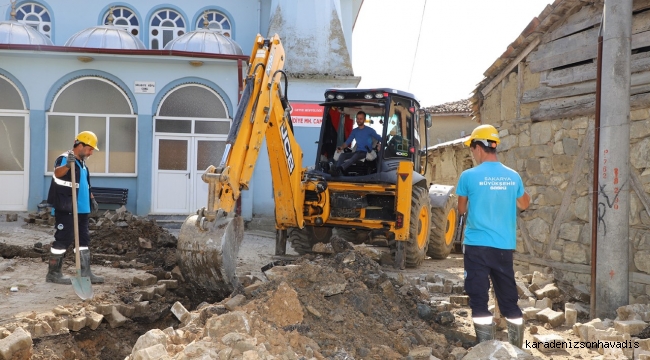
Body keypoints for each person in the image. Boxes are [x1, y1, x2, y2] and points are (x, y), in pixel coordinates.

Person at [456, 124, 530, 347]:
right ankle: (517, 348)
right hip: (503, 247)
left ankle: (485, 348)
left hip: (477, 246)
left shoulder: (468, 176)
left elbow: (461, 210)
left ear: (478, 147)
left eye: (472, 149)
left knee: (479, 297)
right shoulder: (512, 176)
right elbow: (524, 204)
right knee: (508, 299)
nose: (473, 154)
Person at [46, 131, 104, 284]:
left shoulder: (82, 163)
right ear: (80, 145)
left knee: (84, 240)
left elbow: (85, 183)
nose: (91, 152)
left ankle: (85, 273)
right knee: (63, 239)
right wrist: (67, 165)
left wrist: (92, 198)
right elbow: (57, 173)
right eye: (90, 148)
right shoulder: (65, 158)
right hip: (67, 208)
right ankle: (53, 274)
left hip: (82, 209)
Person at [330, 111, 381, 176]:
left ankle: (340, 169)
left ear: (364, 120)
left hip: (366, 152)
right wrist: (341, 147)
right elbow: (348, 142)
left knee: (356, 156)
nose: (359, 120)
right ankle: (336, 171)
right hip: (357, 152)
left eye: (361, 119)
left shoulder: (370, 130)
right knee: (343, 155)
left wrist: (381, 144)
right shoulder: (355, 131)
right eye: (357, 118)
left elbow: (379, 138)